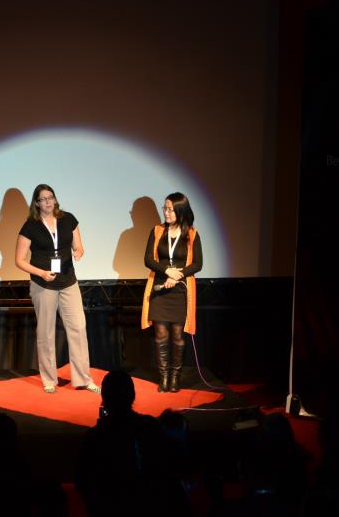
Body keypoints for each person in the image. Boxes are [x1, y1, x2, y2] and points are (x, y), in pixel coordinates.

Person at [15, 183, 99, 394]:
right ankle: (49, 379)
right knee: (46, 332)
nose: (47, 202)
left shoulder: (68, 219)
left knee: (78, 328)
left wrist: (79, 252)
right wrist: (41, 273)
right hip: (43, 284)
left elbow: (78, 246)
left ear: (55, 199)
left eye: (50, 197)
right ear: (36, 203)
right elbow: (19, 261)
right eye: (43, 199)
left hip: (68, 281)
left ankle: (83, 378)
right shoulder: (30, 226)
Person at [75, 370, 185, 517]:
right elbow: (168, 469)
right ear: (133, 396)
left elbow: (82, 485)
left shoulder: (93, 437)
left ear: (104, 399)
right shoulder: (150, 427)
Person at [142, 192, 203, 393]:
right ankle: (164, 377)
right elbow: (148, 260)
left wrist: (178, 275)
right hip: (160, 287)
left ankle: (175, 377)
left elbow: (197, 264)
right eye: (165, 208)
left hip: (180, 290)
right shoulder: (157, 231)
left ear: (180, 211)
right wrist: (166, 271)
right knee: (160, 333)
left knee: (177, 334)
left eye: (170, 209)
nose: (166, 212)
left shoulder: (192, 234)